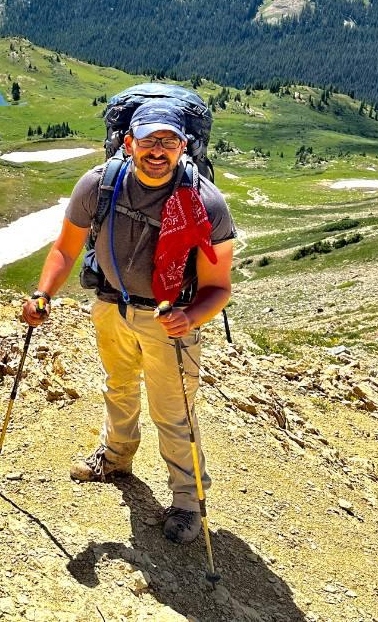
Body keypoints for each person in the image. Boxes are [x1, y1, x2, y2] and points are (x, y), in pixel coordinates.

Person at [21, 100, 235, 545]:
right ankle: (117, 457)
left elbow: (219, 287)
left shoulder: (206, 202)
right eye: (149, 141)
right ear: (128, 141)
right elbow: (65, 249)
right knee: (117, 386)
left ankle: (188, 502)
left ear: (184, 147)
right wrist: (43, 294)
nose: (158, 151)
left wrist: (190, 316)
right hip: (109, 304)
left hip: (169, 319)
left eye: (169, 141)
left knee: (173, 412)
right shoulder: (99, 185)